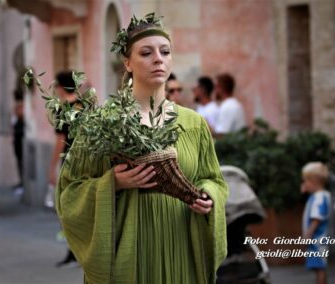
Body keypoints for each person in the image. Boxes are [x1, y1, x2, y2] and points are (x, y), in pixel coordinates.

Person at [55, 13, 228, 283]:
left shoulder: (193, 124)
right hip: (129, 254)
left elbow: (214, 179)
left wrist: (208, 195)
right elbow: (69, 192)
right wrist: (112, 183)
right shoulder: (102, 124)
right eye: (146, 52)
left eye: (165, 51)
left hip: (182, 250)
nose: (158, 58)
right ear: (128, 63)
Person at [48, 71, 79, 267]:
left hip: (68, 162)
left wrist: (51, 168)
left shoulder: (63, 109)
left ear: (61, 87)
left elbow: (61, 141)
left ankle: (73, 251)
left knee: (66, 208)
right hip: (86, 162)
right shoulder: (87, 105)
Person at [301, 162, 331, 284]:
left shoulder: (319, 198)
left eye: (305, 181)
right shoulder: (320, 196)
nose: (304, 184)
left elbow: (316, 218)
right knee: (319, 267)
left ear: (313, 181)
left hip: (317, 240)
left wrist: (308, 235)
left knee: (320, 268)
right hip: (317, 240)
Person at [12, 91, 25, 195]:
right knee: (19, 163)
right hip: (17, 141)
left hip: (21, 141)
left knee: (22, 162)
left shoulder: (21, 106)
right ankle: (21, 182)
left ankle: (23, 183)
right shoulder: (17, 119)